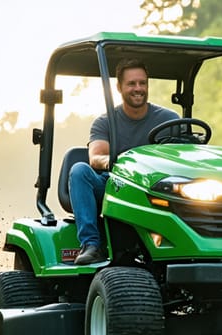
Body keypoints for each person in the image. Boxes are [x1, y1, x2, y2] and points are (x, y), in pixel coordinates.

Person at [70, 58, 179, 265]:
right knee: (79, 171)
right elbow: (96, 157)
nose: (138, 88)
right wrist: (122, 162)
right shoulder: (105, 122)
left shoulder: (169, 120)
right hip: (116, 185)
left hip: (155, 188)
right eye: (131, 84)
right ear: (119, 87)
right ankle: (91, 245)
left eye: (142, 83)